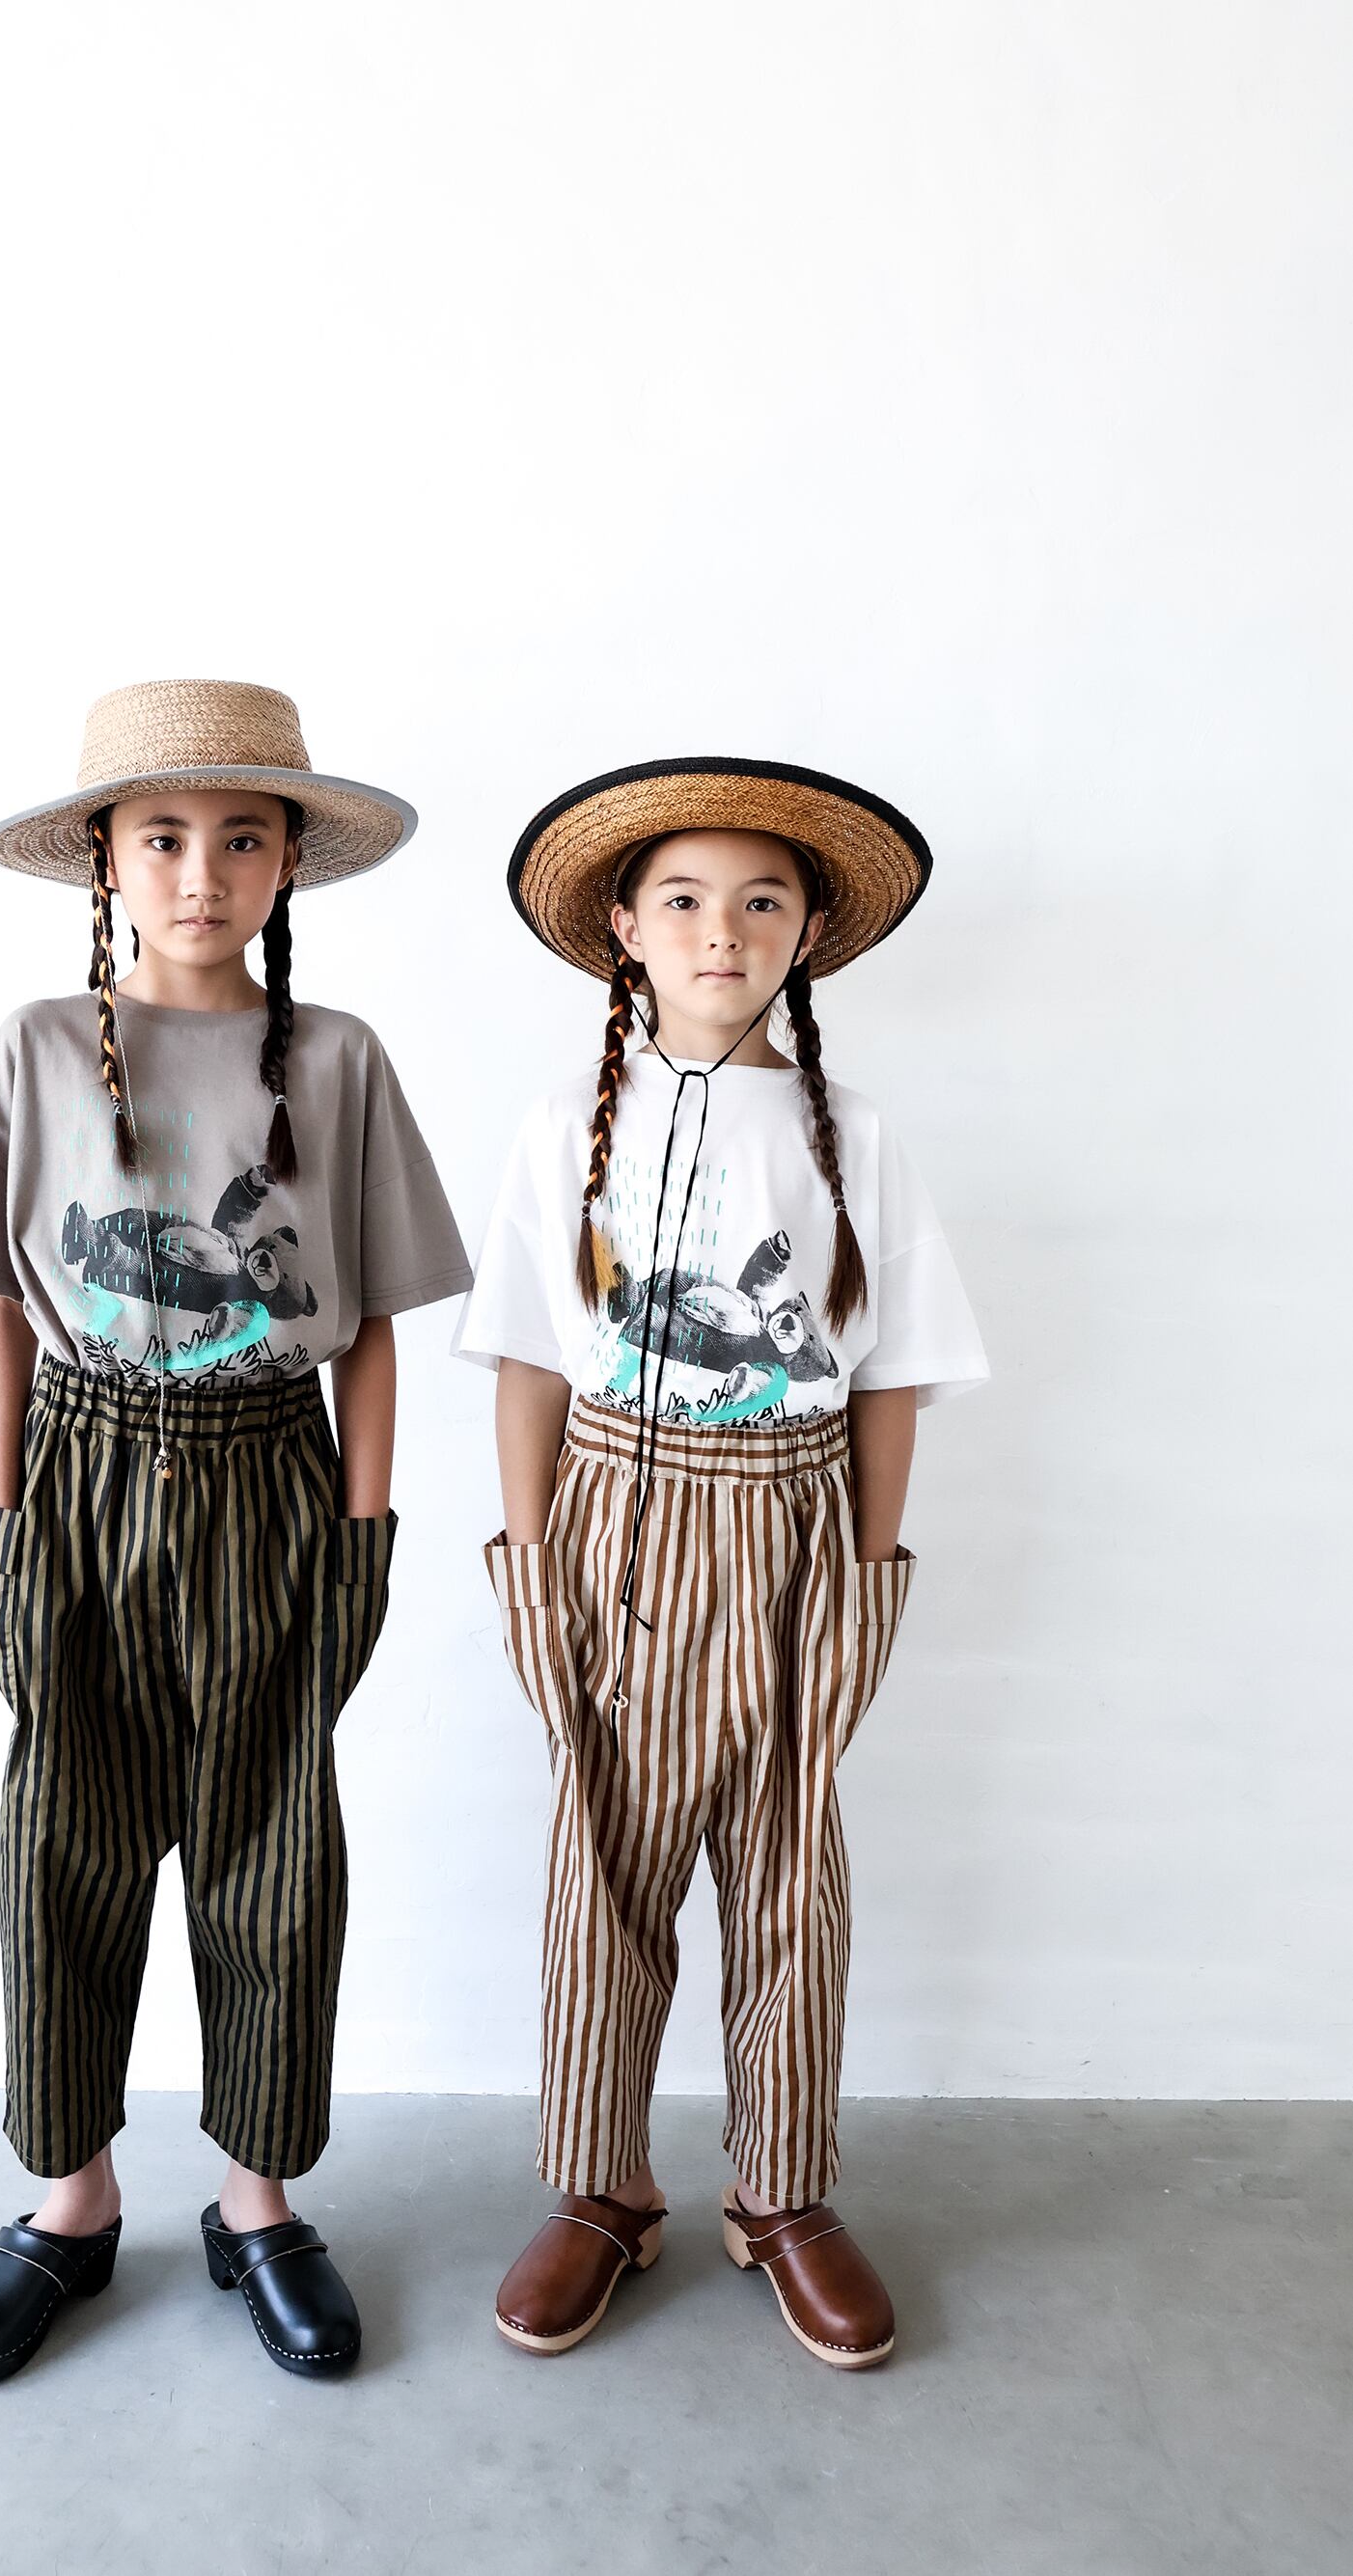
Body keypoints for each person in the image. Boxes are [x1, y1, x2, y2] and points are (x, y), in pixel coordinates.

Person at [0, 678, 471, 2381]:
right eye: (161, 834)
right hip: (76, 1477)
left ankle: (257, 2200)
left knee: (273, 1854)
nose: (200, 872)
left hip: (270, 1477)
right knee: (61, 1850)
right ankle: (72, 2200)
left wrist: (361, 1536)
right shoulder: (34, 1045)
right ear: (103, 854)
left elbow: (371, 1328)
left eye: (243, 837)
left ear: (289, 861)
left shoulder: (338, 1058)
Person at [453, 756, 988, 2367]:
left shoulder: (853, 1136)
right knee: (600, 1867)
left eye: (761, 901)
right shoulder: (564, 1124)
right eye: (681, 898)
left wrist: (865, 1576)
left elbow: (888, 1373)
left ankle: (781, 2191)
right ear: (623, 926)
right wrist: (530, 1563)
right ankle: (601, 2185)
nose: (720, 931)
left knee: (786, 1875)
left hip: (790, 1533)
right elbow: (528, 1357)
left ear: (806, 932)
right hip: (609, 1529)